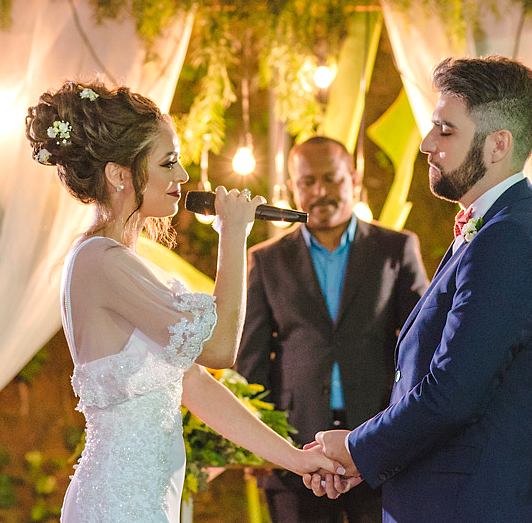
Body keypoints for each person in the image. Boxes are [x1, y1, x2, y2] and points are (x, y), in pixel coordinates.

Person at [26, 80, 342, 523]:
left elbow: (193, 382)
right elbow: (220, 350)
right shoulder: (99, 261)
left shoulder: (123, 262)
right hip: (119, 504)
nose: (182, 177)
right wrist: (233, 238)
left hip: (150, 501)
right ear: (119, 174)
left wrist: (294, 457)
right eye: (168, 162)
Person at [307, 56, 532, 523]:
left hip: (486, 504)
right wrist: (369, 459)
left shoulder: (509, 238)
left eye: (445, 131)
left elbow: (452, 392)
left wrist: (357, 447)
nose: (427, 144)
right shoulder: (493, 225)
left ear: (498, 145)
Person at [236, 136, 428, 523]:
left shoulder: (396, 249)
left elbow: (419, 348)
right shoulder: (265, 261)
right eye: (308, 182)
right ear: (293, 187)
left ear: (353, 179)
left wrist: (408, 433)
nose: (320, 191)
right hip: (294, 448)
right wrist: (257, 445)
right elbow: (251, 363)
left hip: (378, 444)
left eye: (332, 179)